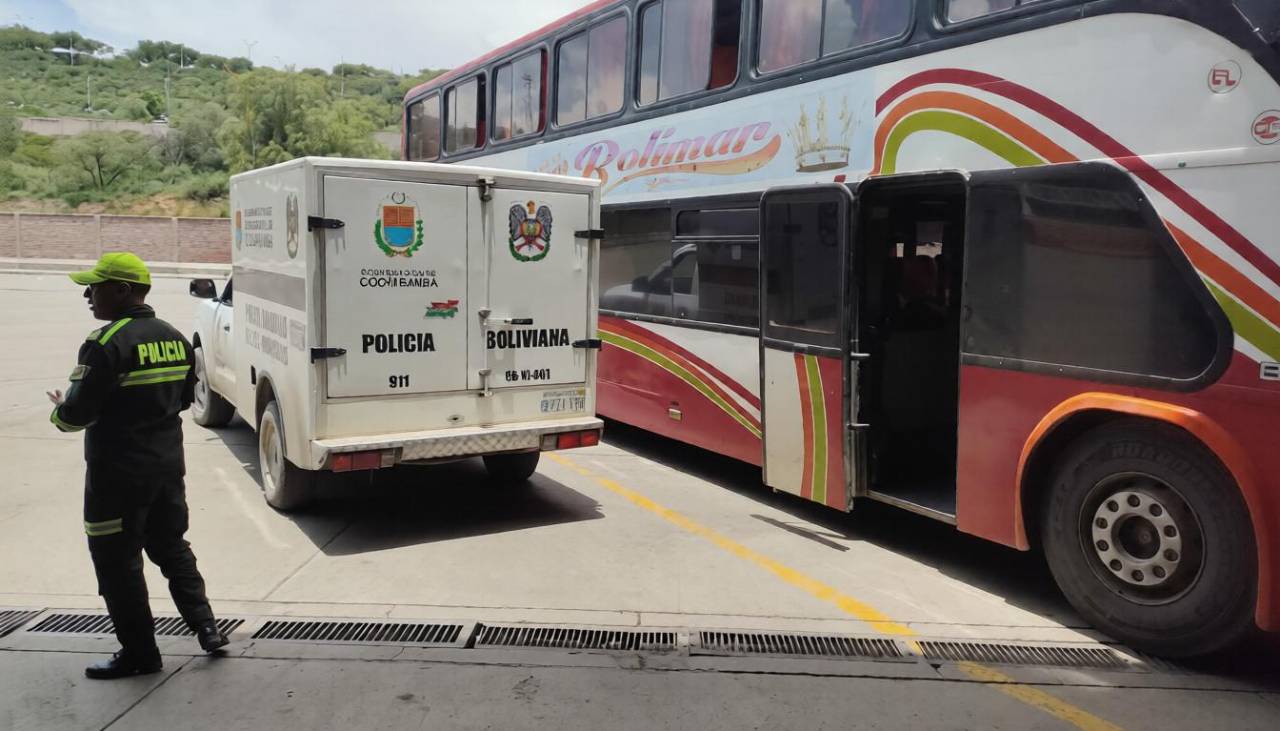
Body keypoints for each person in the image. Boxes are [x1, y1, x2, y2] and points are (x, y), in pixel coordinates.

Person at [47, 252, 228, 680]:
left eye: (94, 288)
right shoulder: (175, 337)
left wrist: (61, 409)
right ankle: (207, 628)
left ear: (122, 290)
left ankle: (140, 654)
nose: (88, 296)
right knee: (172, 547)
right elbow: (184, 400)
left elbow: (75, 416)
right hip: (166, 469)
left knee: (117, 563)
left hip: (116, 479)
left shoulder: (105, 343)